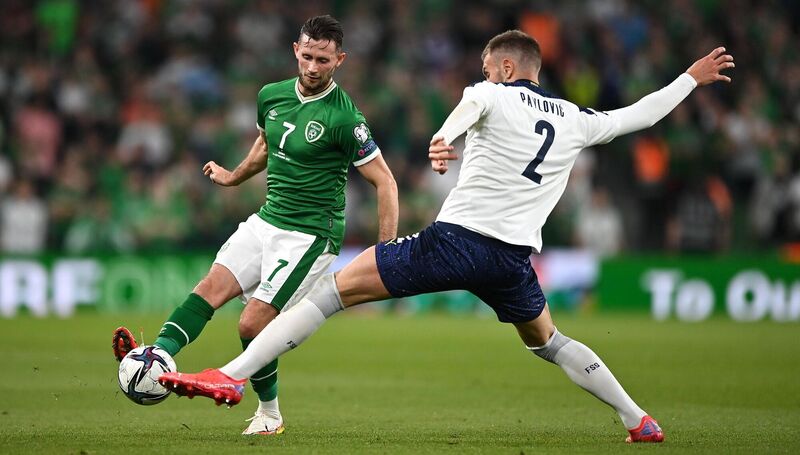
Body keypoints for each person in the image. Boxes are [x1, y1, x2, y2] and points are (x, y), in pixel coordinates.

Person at [160, 30, 734, 443]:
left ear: (505, 67)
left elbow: (466, 108)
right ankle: (638, 419)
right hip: (513, 261)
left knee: (330, 293)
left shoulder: (489, 92)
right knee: (548, 341)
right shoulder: (577, 120)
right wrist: (691, 77)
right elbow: (642, 114)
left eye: (487, 66)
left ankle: (230, 377)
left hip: (456, 242)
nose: (483, 74)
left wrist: (443, 139)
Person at [113, 15, 398, 436]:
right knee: (208, 289)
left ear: (340, 60)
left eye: (323, 60)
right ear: (295, 50)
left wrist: (387, 251)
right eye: (307, 56)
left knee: (251, 323)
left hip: (310, 235)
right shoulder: (271, 95)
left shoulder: (345, 118)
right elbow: (266, 144)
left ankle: (269, 413)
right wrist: (233, 177)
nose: (313, 67)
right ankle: (156, 357)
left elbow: (385, 181)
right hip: (267, 219)